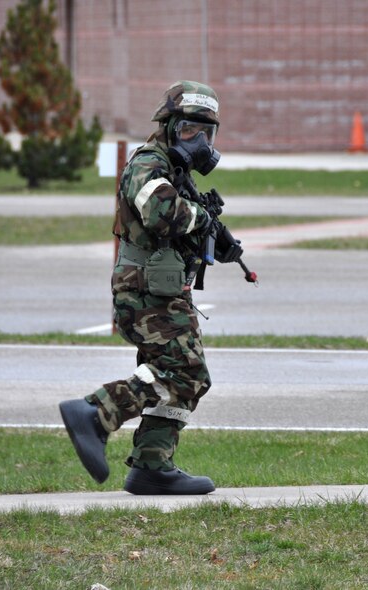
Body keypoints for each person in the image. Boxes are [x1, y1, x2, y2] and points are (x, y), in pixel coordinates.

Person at [59, 80, 244, 495]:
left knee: (186, 377)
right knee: (186, 373)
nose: (199, 142)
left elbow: (178, 224)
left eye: (207, 133)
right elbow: (162, 213)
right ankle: (95, 413)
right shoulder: (148, 164)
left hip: (163, 290)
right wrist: (202, 218)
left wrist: (215, 239)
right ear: (169, 126)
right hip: (144, 293)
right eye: (189, 130)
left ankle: (152, 465)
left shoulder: (175, 171)